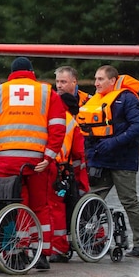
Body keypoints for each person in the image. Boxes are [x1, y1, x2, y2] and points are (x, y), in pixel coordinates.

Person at [0, 56, 67, 271]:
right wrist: (48, 157)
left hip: (6, 161)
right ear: (31, 72)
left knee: (10, 206)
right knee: (40, 206)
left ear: (11, 73)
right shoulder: (46, 92)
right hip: (36, 161)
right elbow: (58, 128)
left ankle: (13, 253)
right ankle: (41, 253)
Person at [79, 65, 139, 258]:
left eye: (100, 79)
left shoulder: (127, 99)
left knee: (129, 201)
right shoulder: (95, 100)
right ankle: (86, 239)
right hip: (100, 159)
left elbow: (138, 127)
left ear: (112, 81)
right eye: (95, 79)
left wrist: (114, 142)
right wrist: (91, 154)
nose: (96, 83)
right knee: (90, 201)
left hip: (123, 161)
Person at [47, 91, 89, 263]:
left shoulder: (48, 116)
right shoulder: (72, 123)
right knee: (57, 208)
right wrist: (82, 185)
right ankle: (59, 247)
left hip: (42, 165)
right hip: (59, 170)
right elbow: (79, 155)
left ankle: (41, 245)